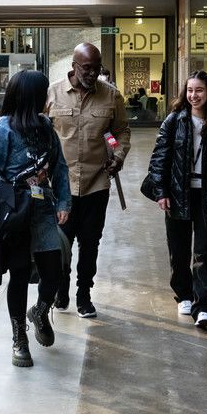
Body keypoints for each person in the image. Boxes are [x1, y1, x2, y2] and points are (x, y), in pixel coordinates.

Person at [0, 70, 70, 367]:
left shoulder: (45, 128)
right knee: (18, 275)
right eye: (44, 94)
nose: (48, 99)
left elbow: (60, 168)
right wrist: (11, 197)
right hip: (14, 217)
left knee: (54, 271)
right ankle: (19, 337)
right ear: (31, 97)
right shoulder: (0, 130)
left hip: (43, 213)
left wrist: (64, 200)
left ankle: (40, 311)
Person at [146, 71, 207, 328]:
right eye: (189, 90)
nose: (193, 95)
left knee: (203, 251)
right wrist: (161, 192)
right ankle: (184, 295)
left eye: (199, 90)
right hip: (178, 194)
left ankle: (203, 306)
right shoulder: (174, 121)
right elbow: (159, 160)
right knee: (178, 251)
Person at [46, 42, 131, 318]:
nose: (92, 74)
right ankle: (62, 287)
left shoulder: (111, 97)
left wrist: (117, 156)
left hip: (96, 183)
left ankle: (84, 294)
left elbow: (118, 132)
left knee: (90, 243)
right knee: (62, 241)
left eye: (96, 69)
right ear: (73, 66)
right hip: (62, 186)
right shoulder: (53, 93)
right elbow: (42, 132)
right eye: (86, 68)